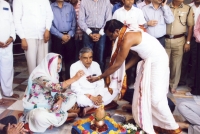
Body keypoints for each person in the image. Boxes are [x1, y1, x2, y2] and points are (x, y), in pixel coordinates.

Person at [88, 19, 181, 134]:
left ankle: (172, 127)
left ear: (117, 31)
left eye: (111, 36)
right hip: (150, 62)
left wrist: (99, 77)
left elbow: (117, 64)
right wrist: (124, 69)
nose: (111, 39)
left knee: (156, 98)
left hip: (158, 62)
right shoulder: (128, 32)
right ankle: (155, 123)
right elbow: (137, 56)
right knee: (144, 93)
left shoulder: (127, 37)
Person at [22, 53, 84, 133]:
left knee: (73, 96)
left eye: (59, 63)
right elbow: (54, 87)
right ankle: (64, 116)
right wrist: (74, 78)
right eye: (57, 63)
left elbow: (56, 92)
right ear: (49, 64)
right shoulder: (39, 76)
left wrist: (60, 100)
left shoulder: (54, 75)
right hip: (37, 106)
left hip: (51, 104)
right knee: (39, 117)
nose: (59, 66)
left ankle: (54, 119)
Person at [70, 47, 118, 116]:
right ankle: (96, 105)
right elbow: (75, 88)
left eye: (90, 57)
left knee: (115, 90)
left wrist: (99, 96)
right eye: (85, 58)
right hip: (83, 94)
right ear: (80, 58)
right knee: (79, 100)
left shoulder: (96, 65)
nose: (88, 60)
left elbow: (100, 83)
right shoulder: (74, 66)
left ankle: (90, 107)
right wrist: (91, 97)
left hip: (95, 91)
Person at [13, 0, 53, 75]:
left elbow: (49, 15)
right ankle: (32, 86)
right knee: (32, 66)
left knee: (43, 65)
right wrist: (22, 37)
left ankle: (41, 86)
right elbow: (16, 20)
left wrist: (47, 29)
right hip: (28, 36)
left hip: (43, 35)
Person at [165, 0, 194, 93]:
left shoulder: (188, 8)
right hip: (165, 39)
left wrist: (188, 42)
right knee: (164, 64)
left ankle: (173, 85)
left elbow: (190, 26)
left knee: (176, 65)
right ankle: (163, 84)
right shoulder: (165, 7)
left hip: (180, 39)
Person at [78, 0, 112, 71]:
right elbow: (80, 20)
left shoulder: (106, 1)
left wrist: (100, 34)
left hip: (102, 32)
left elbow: (108, 19)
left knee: (100, 58)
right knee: (86, 57)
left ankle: (99, 78)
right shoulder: (84, 1)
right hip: (87, 32)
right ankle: (86, 77)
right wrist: (90, 33)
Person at [50, 0, 76, 80]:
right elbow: (49, 24)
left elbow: (74, 22)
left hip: (69, 36)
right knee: (57, 59)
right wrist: (61, 36)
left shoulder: (70, 7)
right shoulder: (51, 7)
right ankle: (58, 78)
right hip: (57, 37)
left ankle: (69, 78)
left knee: (70, 59)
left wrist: (69, 35)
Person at [179, 0, 200, 95]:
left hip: (197, 39)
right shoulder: (189, 7)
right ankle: (181, 80)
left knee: (195, 62)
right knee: (184, 59)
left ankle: (192, 83)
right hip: (187, 36)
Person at [0, 0, 19, 101]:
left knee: (7, 69)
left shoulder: (5, 4)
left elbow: (12, 23)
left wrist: (12, 37)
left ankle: (8, 92)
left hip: (7, 44)